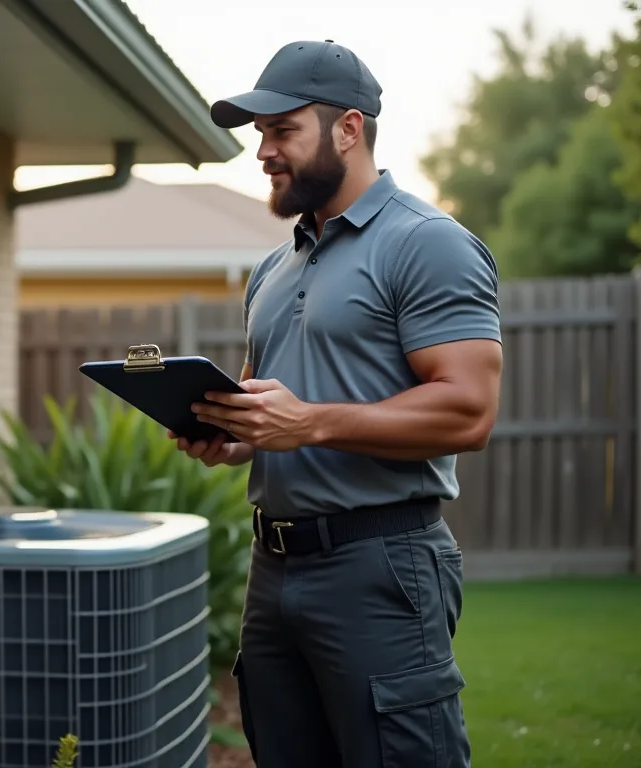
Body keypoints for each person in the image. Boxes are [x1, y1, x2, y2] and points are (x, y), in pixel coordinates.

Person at [176, 41, 502, 767]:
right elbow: (269, 407)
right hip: (273, 571)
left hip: (380, 564)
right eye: (260, 135)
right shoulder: (273, 266)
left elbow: (469, 411)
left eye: (281, 130)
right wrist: (234, 436)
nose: (263, 151)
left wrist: (309, 422)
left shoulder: (427, 244)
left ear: (348, 129)